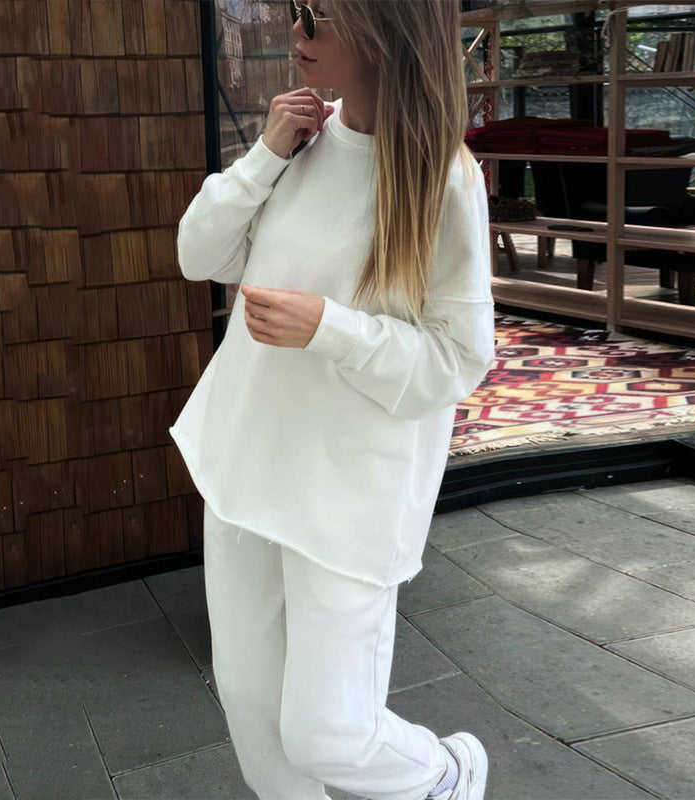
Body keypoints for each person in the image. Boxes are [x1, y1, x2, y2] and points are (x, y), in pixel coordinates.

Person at [168, 1, 495, 798]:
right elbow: (197, 255)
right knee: (253, 711)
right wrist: (265, 155)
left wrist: (330, 329)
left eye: (317, 18)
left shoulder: (444, 180)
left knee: (330, 734)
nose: (296, 34)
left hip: (350, 489)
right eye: (296, 12)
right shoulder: (301, 140)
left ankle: (447, 774)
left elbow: (459, 359)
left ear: (384, 32)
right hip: (246, 457)